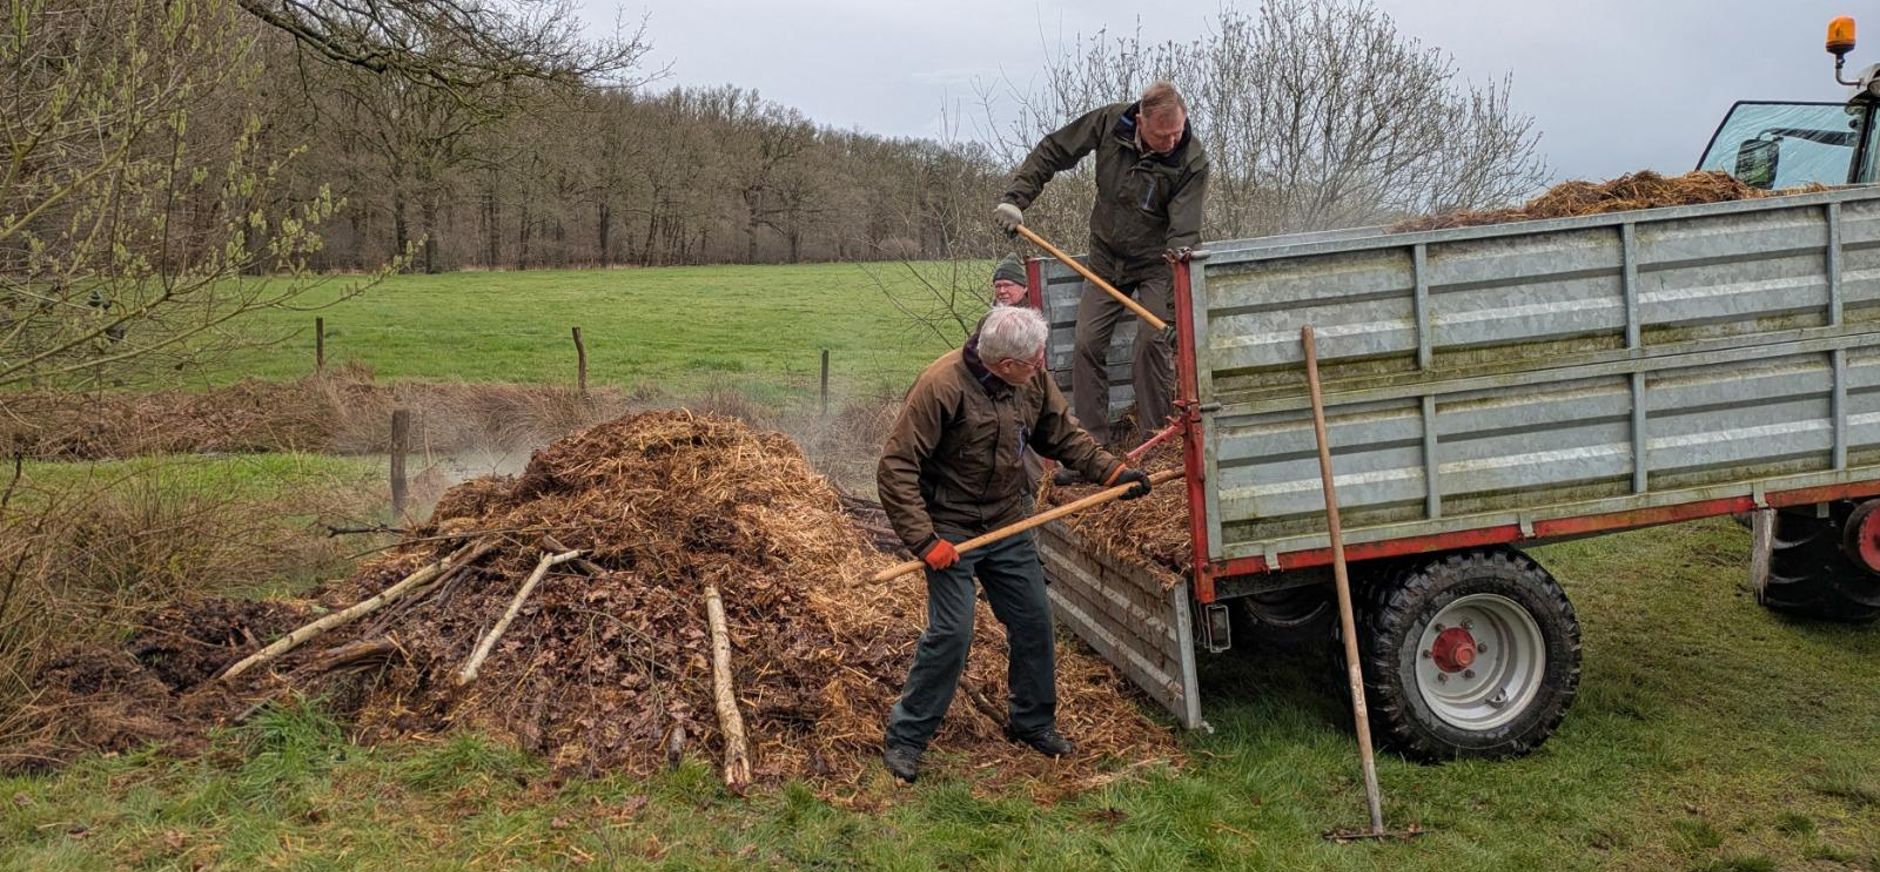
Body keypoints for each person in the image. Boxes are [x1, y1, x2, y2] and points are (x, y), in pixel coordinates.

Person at [875, 305, 1152, 783]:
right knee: (952, 634)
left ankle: (1032, 722)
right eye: (1033, 361)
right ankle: (907, 739)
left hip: (1006, 519)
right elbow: (896, 468)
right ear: (1005, 365)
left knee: (1034, 620)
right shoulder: (941, 386)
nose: (1041, 364)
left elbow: (1061, 434)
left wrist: (1110, 472)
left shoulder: (1031, 378)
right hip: (951, 528)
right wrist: (925, 541)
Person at [993, 80, 1209, 447]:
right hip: (1107, 258)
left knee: (1152, 342)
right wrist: (1016, 200)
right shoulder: (1110, 123)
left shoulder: (1191, 161)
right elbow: (1054, 150)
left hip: (1158, 262)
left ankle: (1155, 443)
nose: (1172, 142)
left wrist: (1173, 314)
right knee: (1086, 343)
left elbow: (1183, 239)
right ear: (1140, 121)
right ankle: (1093, 447)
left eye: (1177, 132)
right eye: (1162, 135)